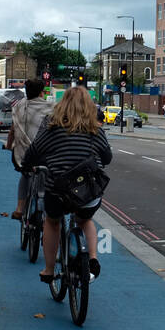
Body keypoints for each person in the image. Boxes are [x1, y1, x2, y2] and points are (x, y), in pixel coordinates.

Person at [21, 85, 112, 283]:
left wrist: (27, 165)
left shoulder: (51, 125)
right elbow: (107, 157)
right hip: (88, 193)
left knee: (52, 222)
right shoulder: (95, 129)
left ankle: (49, 269)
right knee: (85, 220)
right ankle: (93, 260)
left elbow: (35, 151)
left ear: (62, 104)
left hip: (59, 192)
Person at [6, 79, 53, 220]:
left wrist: (9, 146)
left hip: (23, 154)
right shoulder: (52, 107)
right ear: (42, 92)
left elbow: (12, 131)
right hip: (46, 154)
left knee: (25, 174)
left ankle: (20, 208)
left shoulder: (19, 106)